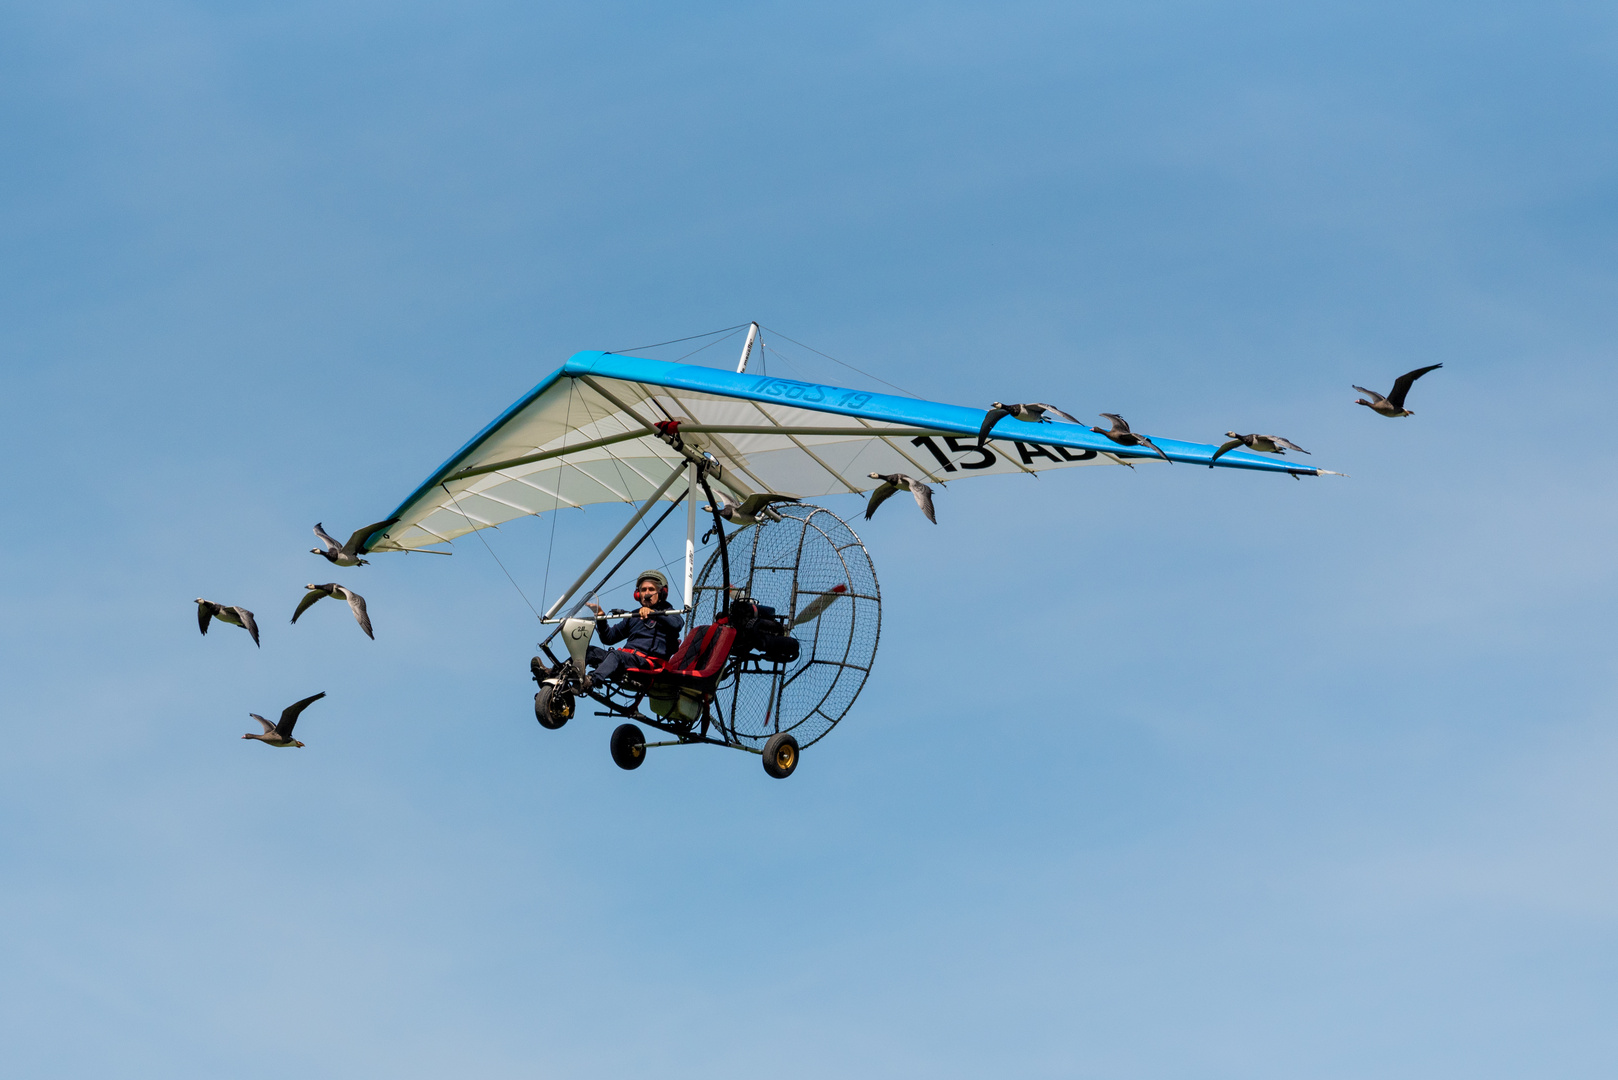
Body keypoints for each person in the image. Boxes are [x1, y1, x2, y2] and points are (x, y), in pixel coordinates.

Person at [582, 570, 684, 685]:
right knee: (588, 651)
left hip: (648, 664)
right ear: (637, 594)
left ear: (661, 593)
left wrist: (654, 613)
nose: (647, 593)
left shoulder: (669, 613)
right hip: (627, 659)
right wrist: (601, 617)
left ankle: (591, 680)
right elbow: (609, 638)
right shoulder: (634, 616)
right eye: (643, 590)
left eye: (651, 589)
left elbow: (677, 624)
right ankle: (560, 678)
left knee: (616, 655)